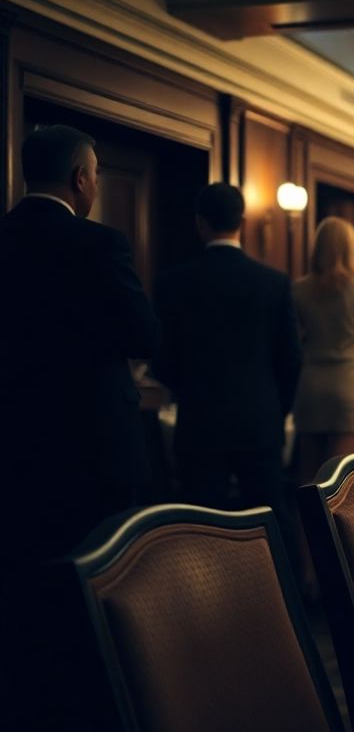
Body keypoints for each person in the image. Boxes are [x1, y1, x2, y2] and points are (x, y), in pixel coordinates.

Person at [0, 124, 158, 563]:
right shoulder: (100, 244)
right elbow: (143, 336)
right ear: (80, 179)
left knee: (24, 567)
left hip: (14, 435)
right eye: (96, 173)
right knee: (97, 571)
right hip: (94, 441)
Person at [153, 183, 302, 519]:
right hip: (259, 422)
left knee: (201, 526)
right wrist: (276, 409)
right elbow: (291, 358)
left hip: (200, 422)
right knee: (270, 522)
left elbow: (161, 358)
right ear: (242, 222)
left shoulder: (174, 282)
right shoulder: (273, 282)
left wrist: (190, 391)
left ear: (200, 223)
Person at [292, 218, 354, 487]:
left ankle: (304, 530)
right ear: (351, 248)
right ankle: (336, 531)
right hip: (350, 381)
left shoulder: (298, 288)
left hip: (312, 381)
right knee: (339, 478)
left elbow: (294, 338)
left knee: (308, 475)